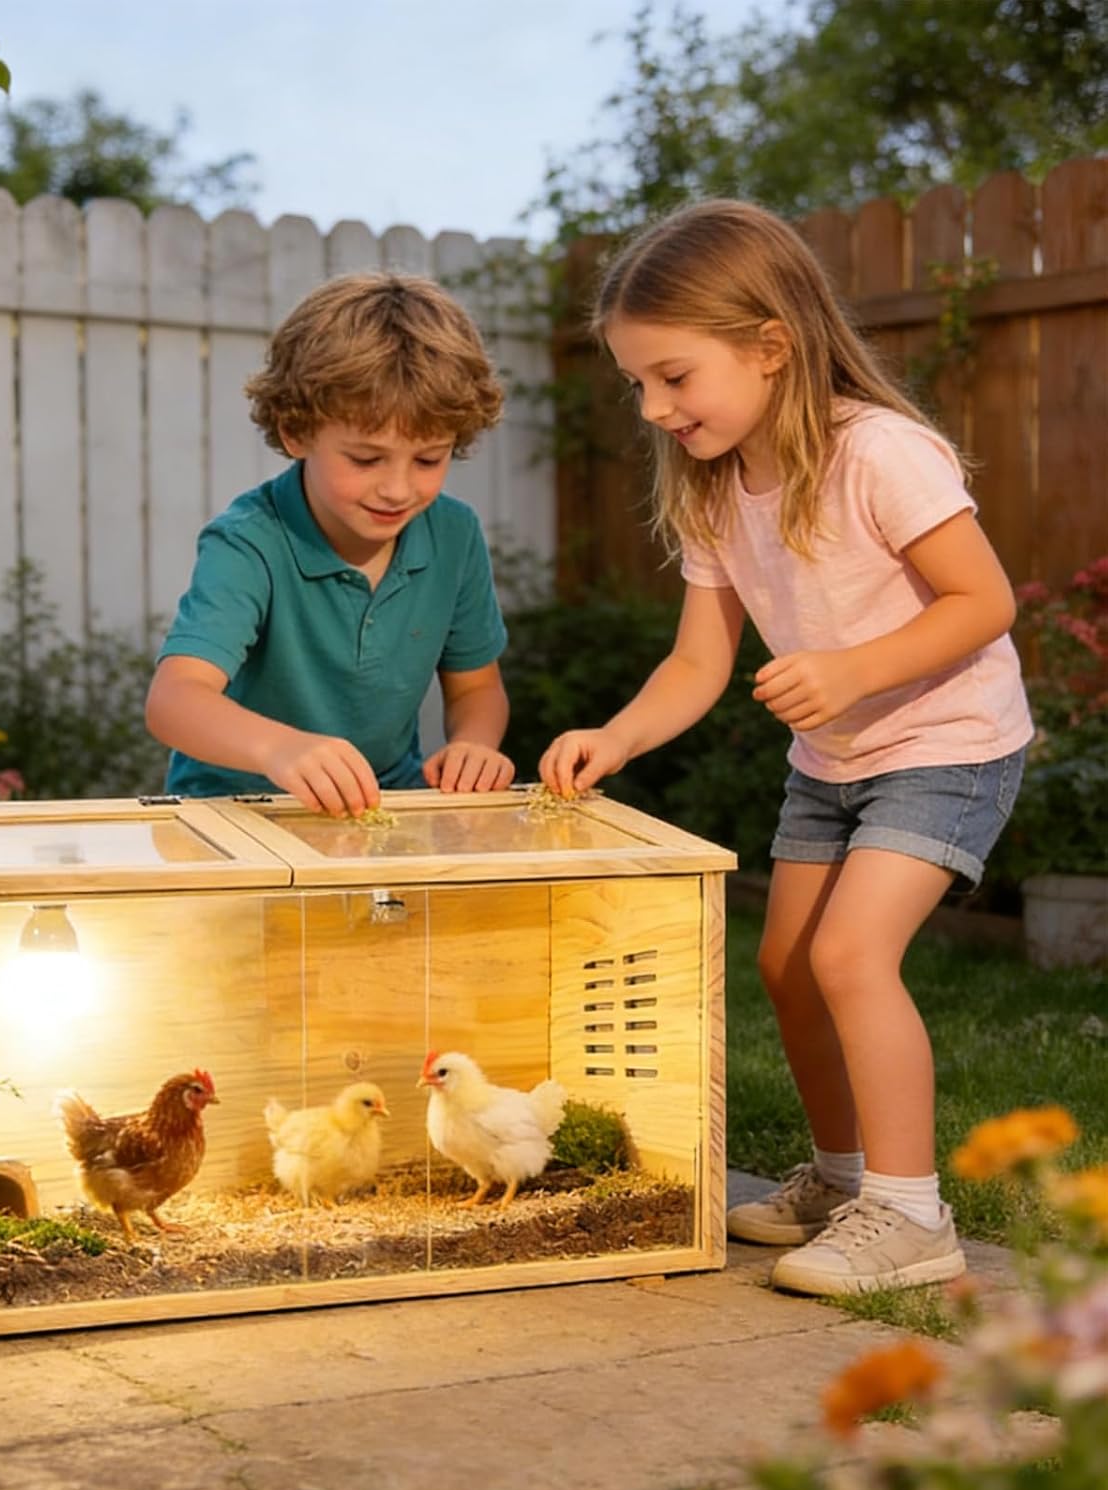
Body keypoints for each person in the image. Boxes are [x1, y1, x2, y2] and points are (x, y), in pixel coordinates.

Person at [539, 200, 1032, 1296]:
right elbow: (698, 664)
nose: (656, 407)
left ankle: (911, 1215)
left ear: (771, 346)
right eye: (637, 386)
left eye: (674, 377)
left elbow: (984, 600)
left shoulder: (878, 452)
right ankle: (843, 1175)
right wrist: (614, 737)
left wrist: (853, 669)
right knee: (784, 966)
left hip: (949, 741)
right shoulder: (719, 488)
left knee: (850, 957)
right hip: (834, 761)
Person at [145, 271, 515, 814]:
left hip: (383, 807)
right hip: (235, 810)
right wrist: (281, 749)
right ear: (296, 432)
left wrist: (473, 747)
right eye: (366, 459)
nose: (397, 489)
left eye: (429, 459)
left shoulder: (453, 535)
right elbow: (174, 700)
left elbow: (476, 690)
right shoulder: (249, 541)